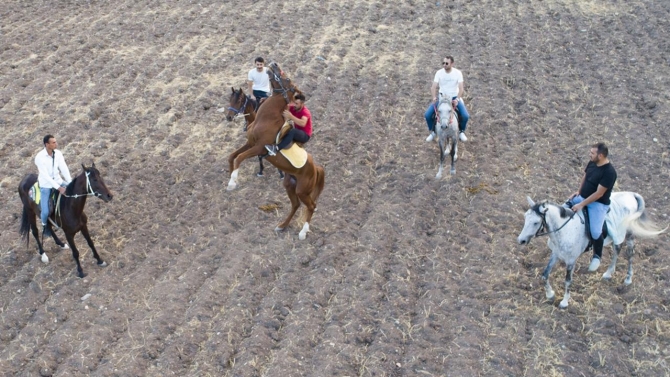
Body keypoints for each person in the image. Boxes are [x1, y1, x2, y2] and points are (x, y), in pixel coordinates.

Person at [568, 143, 617, 272]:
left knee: (595, 231)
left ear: (600, 155)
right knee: (563, 209)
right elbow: (585, 175)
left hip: (598, 204)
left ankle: (597, 256)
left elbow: (599, 194)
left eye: (592, 153)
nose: (590, 155)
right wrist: (578, 192)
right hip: (582, 196)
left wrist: (581, 205)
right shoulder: (592, 162)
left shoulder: (609, 172)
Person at [424, 55, 470, 142]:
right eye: (443, 63)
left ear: (452, 64)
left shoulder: (458, 73)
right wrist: (434, 97)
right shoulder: (439, 73)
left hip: (453, 97)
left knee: (465, 115)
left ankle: (461, 131)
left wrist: (457, 99)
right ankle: (433, 132)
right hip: (442, 98)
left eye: (446, 63)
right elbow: (433, 87)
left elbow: (461, 89)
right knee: (427, 115)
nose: (444, 65)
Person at [35, 134, 72, 236]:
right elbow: (45, 176)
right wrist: (59, 188)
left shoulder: (58, 154)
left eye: (56, 142)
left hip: (59, 180)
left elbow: (63, 168)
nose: (56, 144)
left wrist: (69, 182)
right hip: (46, 185)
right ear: (47, 144)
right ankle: (45, 226)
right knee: (46, 212)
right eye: (53, 142)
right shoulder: (39, 158)